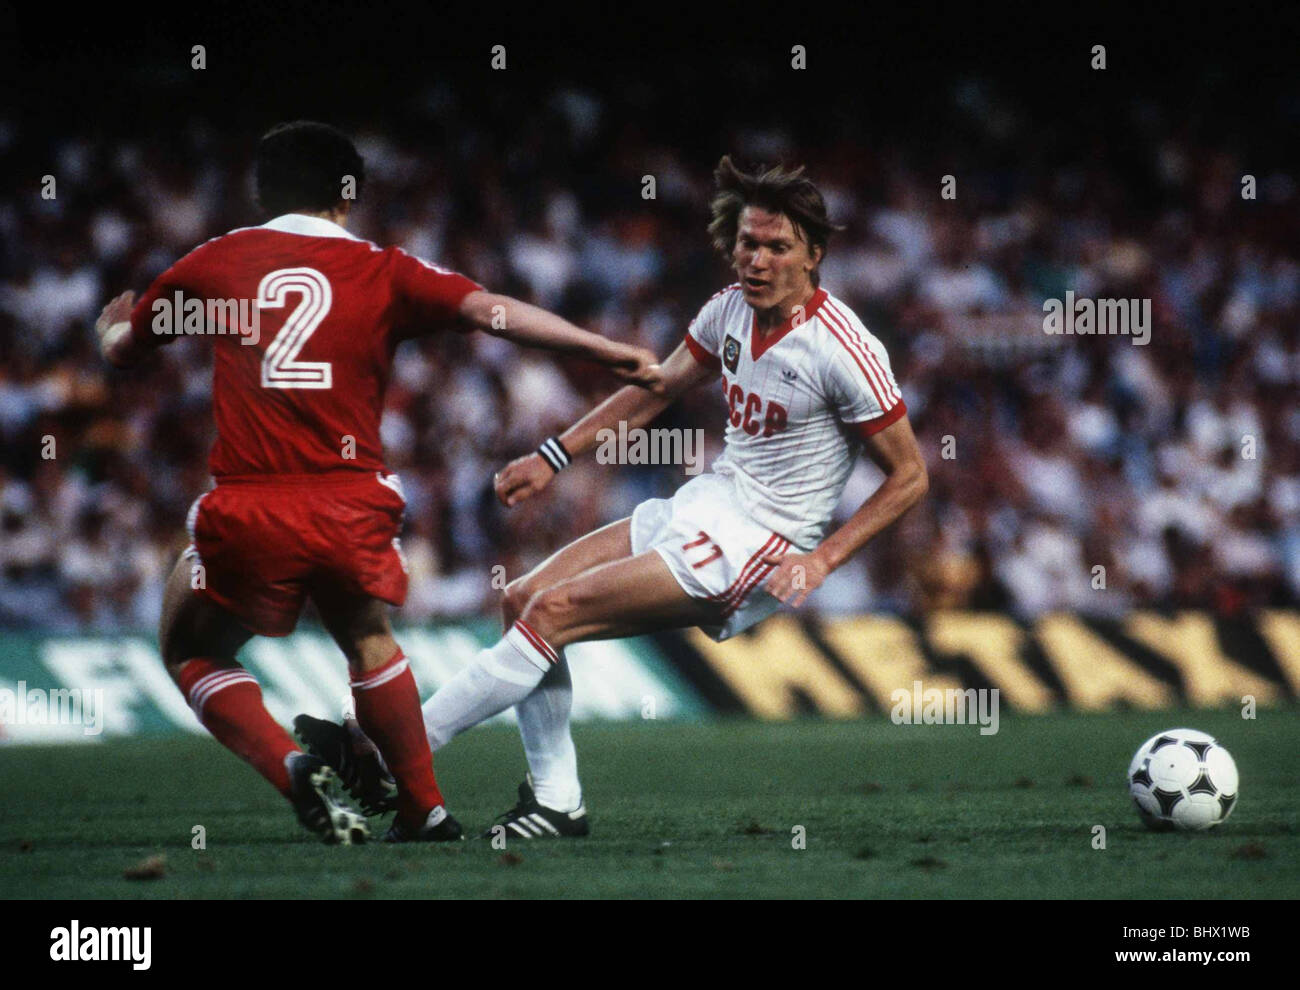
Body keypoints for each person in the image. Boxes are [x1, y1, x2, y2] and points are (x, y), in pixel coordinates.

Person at [301, 154, 928, 839]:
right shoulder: (727, 312)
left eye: (778, 247)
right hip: (705, 506)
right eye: (749, 242)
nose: (757, 259)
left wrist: (824, 560)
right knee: (522, 600)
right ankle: (558, 800)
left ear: (814, 255)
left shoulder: (843, 349)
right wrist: (554, 454)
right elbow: (658, 388)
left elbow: (910, 475)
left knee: (553, 612)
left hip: (757, 543)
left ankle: (392, 755)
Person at [95, 121, 662, 844]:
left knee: (192, 650)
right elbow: (495, 312)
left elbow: (125, 351)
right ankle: (424, 809)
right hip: (351, 501)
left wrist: (109, 328)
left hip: (250, 502)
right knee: (369, 640)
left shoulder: (218, 260)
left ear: (263, 192)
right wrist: (603, 348)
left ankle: (287, 763)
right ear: (347, 194)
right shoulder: (384, 269)